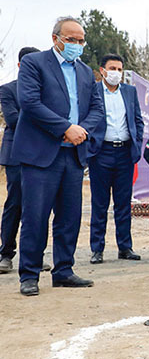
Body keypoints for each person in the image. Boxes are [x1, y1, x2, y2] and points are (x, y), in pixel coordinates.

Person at [13, 16, 105, 296]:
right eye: (71, 39)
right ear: (56, 39)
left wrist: (80, 131)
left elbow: (97, 109)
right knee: (35, 217)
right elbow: (29, 102)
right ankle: (29, 274)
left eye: (81, 40)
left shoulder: (86, 72)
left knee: (69, 217)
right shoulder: (34, 63)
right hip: (41, 155)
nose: (77, 44)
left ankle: (63, 270)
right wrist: (65, 128)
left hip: (73, 155)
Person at [87, 53, 144, 264]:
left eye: (120, 69)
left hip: (124, 154)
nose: (116, 73)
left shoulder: (129, 92)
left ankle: (125, 247)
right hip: (101, 153)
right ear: (102, 70)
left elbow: (137, 120)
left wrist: (136, 141)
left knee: (123, 204)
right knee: (99, 204)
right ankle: (97, 249)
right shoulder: (93, 91)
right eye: (113, 68)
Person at [0, 46, 40, 273]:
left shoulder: (46, 91)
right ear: (19, 66)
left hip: (41, 154)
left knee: (38, 206)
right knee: (15, 204)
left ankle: (34, 254)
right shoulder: (7, 90)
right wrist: (44, 118)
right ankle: (6, 253)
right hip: (16, 154)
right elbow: (14, 120)